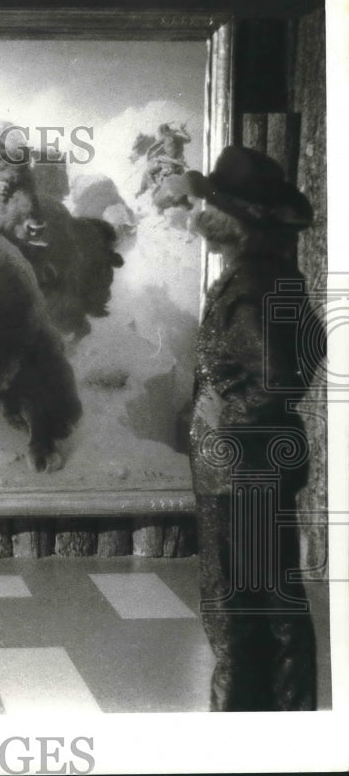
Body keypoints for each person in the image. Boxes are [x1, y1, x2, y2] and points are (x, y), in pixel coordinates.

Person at [184, 146, 324, 711]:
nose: (199, 214)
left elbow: (276, 380)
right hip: (251, 469)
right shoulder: (268, 275)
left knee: (238, 615)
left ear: (236, 221)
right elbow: (310, 347)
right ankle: (281, 729)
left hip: (241, 474)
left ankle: (244, 735)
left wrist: (222, 405)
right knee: (269, 606)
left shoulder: (254, 286)